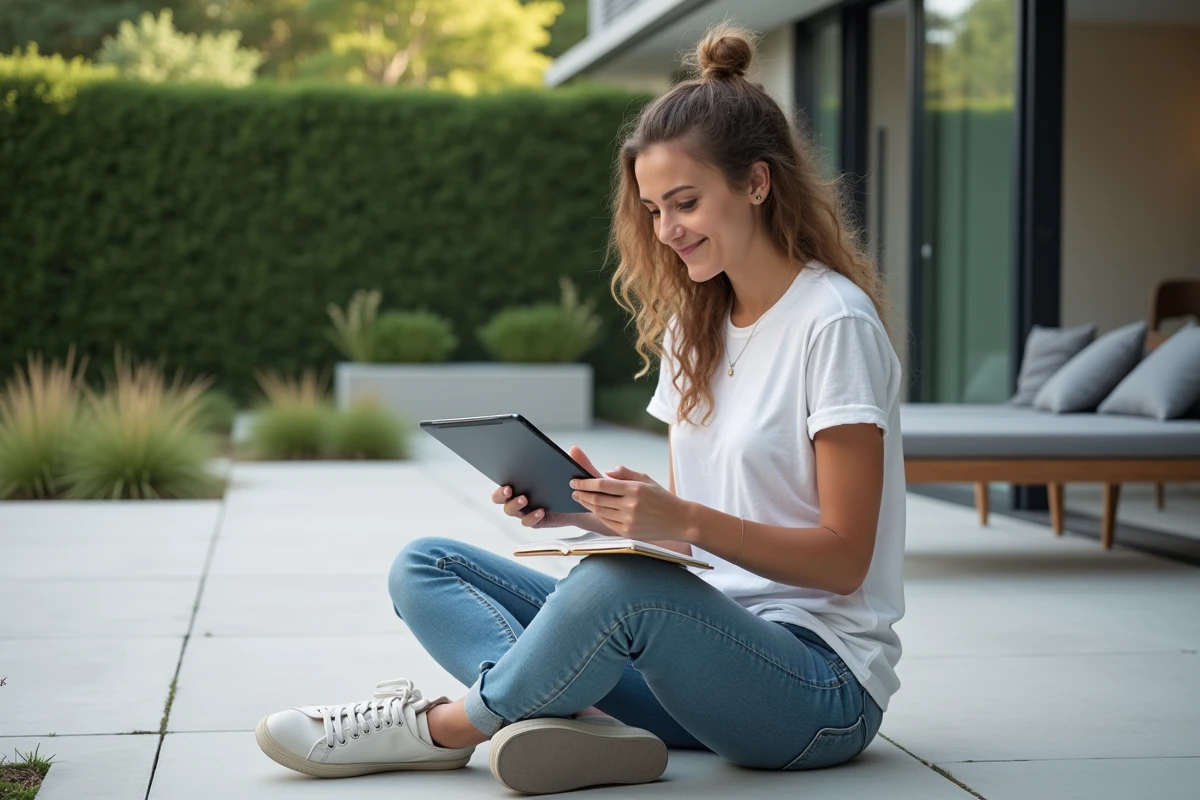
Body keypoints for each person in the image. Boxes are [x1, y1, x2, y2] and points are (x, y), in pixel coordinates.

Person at [254, 22, 906, 795]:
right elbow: (700, 532)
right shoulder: (695, 329)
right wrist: (598, 512)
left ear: (757, 184)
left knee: (614, 587)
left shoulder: (832, 323)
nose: (667, 232)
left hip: (815, 690)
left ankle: (444, 727)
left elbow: (843, 557)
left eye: (685, 203)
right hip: (693, 667)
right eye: (654, 210)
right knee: (426, 564)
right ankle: (573, 725)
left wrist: (681, 522)